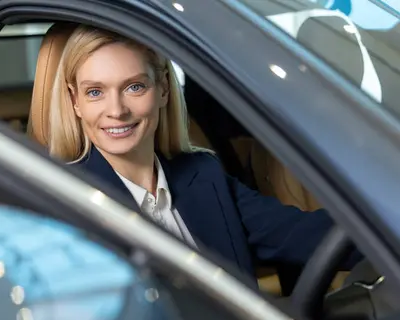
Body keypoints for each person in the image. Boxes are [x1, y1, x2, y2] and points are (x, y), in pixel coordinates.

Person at [33, 24, 360, 283]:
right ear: (75, 102)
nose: (116, 110)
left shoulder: (204, 174)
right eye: (95, 92)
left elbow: (306, 236)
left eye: (135, 87)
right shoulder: (65, 200)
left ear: (162, 89)